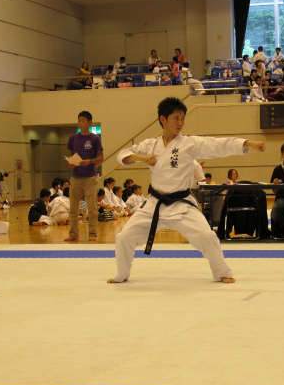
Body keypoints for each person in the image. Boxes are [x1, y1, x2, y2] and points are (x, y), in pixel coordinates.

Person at [108, 97, 265, 284]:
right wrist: (141, 158)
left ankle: (223, 272)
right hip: (155, 204)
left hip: (181, 204)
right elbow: (123, 155)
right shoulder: (150, 145)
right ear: (163, 119)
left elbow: (217, 144)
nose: (180, 123)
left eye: (183, 118)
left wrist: (247, 143)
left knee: (207, 236)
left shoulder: (189, 144)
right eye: (176, 118)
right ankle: (122, 274)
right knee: (124, 237)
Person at [66, 111, 104, 242]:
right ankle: (73, 233)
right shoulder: (73, 138)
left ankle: (93, 233)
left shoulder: (95, 138)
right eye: (79, 121)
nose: (80, 123)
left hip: (90, 178)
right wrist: (71, 162)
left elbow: (101, 158)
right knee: (73, 207)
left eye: (83, 120)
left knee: (92, 208)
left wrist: (90, 161)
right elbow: (71, 154)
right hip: (76, 177)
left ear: (90, 122)